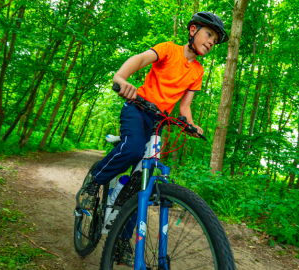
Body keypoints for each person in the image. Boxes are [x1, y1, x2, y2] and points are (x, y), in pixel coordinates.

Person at [77, 11, 228, 266]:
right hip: (137, 109)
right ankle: (94, 180)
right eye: (209, 34)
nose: (212, 42)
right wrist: (120, 78)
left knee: (142, 184)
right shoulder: (169, 49)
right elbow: (140, 59)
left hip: (159, 123)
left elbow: (185, 107)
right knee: (134, 148)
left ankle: (122, 240)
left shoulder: (198, 72)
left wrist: (191, 125)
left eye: (215, 40)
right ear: (193, 30)